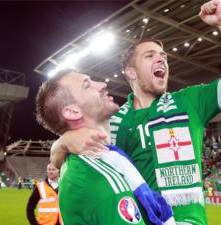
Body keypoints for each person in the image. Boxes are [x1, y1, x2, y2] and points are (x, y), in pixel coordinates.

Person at [51, 0, 221, 224]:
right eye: (150, 55)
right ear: (130, 73)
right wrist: (62, 142)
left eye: (163, 55)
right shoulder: (114, 122)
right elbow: (67, 161)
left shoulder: (189, 102)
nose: (161, 58)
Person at [35, 71, 174, 225]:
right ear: (73, 112)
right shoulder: (100, 178)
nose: (102, 85)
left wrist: (61, 144)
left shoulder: (103, 158)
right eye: (87, 85)